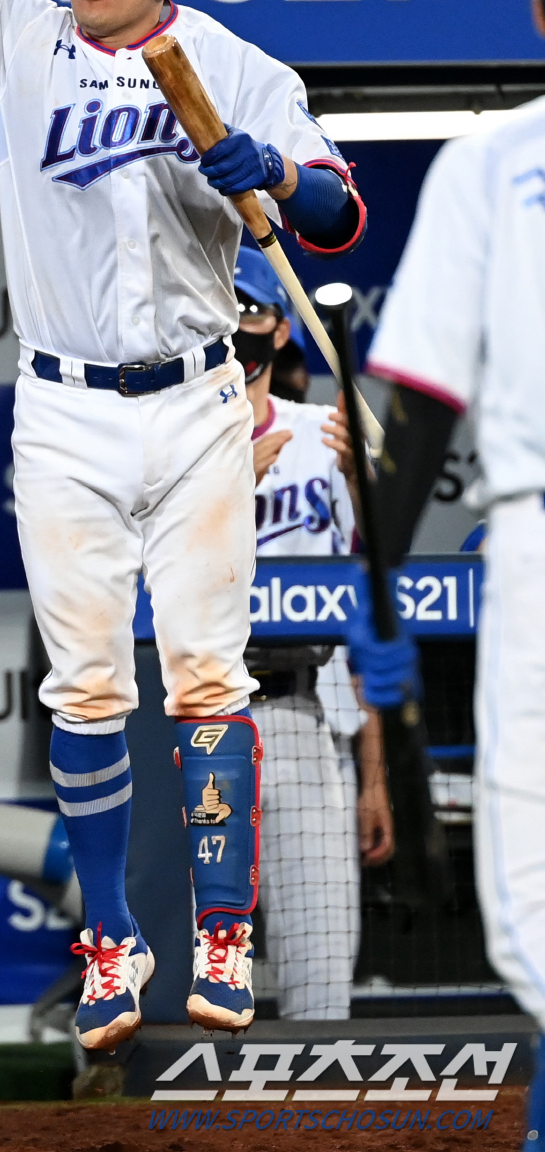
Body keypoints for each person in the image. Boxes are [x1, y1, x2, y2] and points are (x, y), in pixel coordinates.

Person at [0, 0, 365, 1043]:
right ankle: (110, 941)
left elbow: (339, 215)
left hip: (197, 400)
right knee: (85, 691)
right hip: (62, 406)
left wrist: (278, 177)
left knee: (205, 681)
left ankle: (225, 932)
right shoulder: (16, 31)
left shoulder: (235, 67)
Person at [350, 0, 545, 1150]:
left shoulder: (495, 159)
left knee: (528, 903)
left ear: (537, 12)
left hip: (538, 530)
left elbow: (416, 411)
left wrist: (380, 599)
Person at [233, 247, 393, 1020]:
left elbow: (377, 605)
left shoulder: (323, 437)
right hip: (198, 728)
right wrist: (228, 490)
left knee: (321, 980)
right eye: (223, 310)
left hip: (309, 724)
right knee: (190, 975)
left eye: (251, 311)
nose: (238, 328)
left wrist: (375, 773)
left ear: (282, 327)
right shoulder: (168, 443)